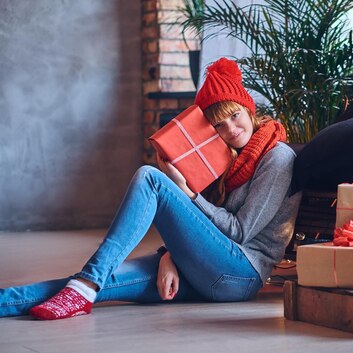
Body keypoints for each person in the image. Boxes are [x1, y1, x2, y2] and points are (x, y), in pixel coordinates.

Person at [0, 57, 301, 319]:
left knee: (151, 178)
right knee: (99, 280)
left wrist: (187, 191)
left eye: (234, 116)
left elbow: (238, 232)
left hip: (240, 275)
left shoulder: (278, 157)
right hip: (207, 267)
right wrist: (171, 255)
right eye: (219, 125)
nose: (231, 130)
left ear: (249, 110)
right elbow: (200, 228)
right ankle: (28, 297)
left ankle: (87, 284)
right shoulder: (227, 163)